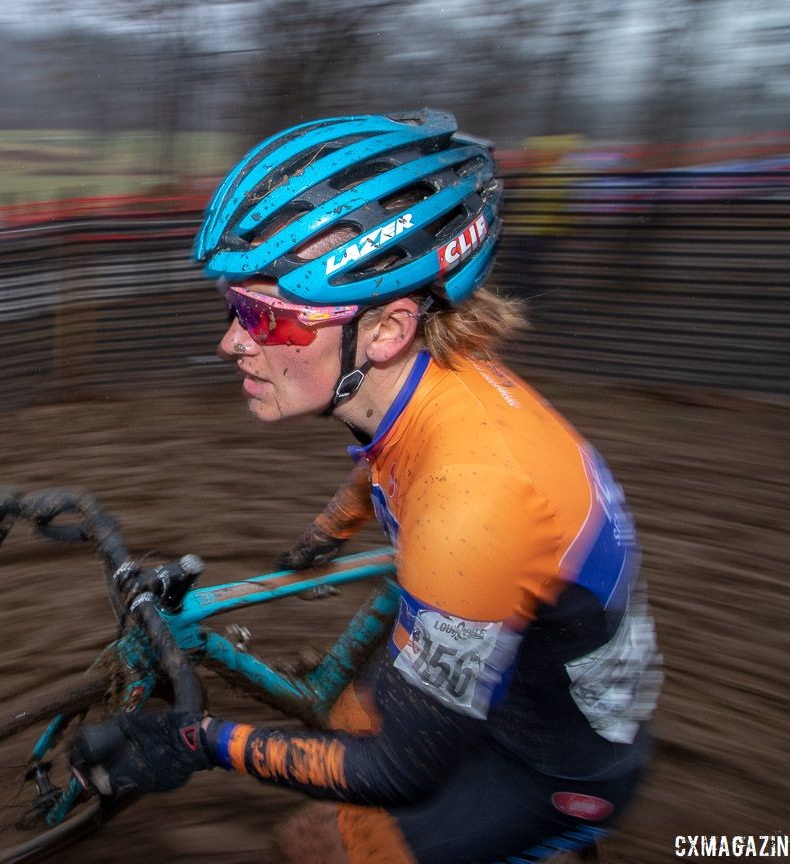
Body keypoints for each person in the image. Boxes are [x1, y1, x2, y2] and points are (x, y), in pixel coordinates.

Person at [71, 109, 662, 864]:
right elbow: (383, 461)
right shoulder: (427, 392)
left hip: (548, 759)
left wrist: (198, 740)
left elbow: (400, 770)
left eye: (266, 318)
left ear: (386, 330)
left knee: (319, 845)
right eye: (233, 307)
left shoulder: (473, 496)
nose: (230, 342)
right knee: (339, 727)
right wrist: (331, 526)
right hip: (511, 669)